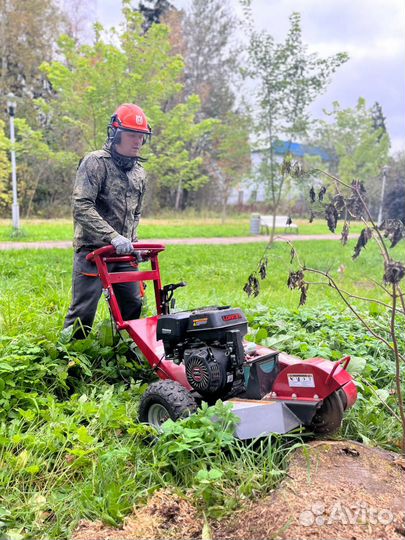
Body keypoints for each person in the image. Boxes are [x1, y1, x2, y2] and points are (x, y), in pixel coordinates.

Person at [63, 103, 152, 338]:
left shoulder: (139, 172)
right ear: (116, 134)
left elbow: (136, 213)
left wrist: (133, 244)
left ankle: (128, 351)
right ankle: (69, 361)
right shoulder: (95, 163)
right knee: (83, 313)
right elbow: (81, 206)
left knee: (133, 305)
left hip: (123, 253)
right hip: (93, 250)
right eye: (132, 135)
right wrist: (112, 236)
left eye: (141, 136)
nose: (137, 142)